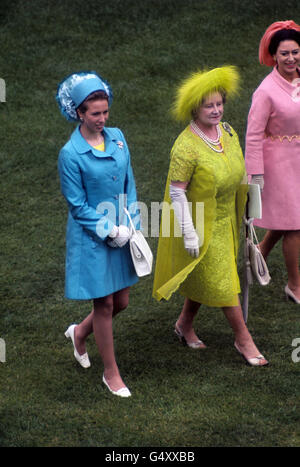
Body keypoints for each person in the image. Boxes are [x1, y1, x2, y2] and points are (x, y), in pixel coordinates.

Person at [153, 66, 268, 366]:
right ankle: (244, 339)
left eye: (219, 104)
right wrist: (189, 232)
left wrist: (249, 206)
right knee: (225, 282)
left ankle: (183, 325)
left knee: (210, 278)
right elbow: (177, 193)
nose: (216, 110)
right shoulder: (185, 147)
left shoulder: (227, 132)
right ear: (195, 108)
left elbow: (239, 172)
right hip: (202, 224)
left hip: (229, 219)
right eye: (209, 105)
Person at [56, 71, 140, 397]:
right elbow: (77, 207)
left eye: (105, 111)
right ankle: (111, 372)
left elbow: (129, 183)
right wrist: (109, 231)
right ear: (79, 112)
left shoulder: (117, 136)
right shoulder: (70, 154)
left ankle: (79, 332)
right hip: (92, 238)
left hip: (122, 231)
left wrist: (133, 223)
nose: (102, 119)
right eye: (95, 114)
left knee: (121, 301)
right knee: (104, 303)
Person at [245, 20, 300, 304]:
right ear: (274, 56)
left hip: (298, 160)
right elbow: (253, 135)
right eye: (284, 54)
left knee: (288, 216)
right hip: (278, 164)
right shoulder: (265, 91)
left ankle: (260, 253)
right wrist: (255, 174)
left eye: (295, 52)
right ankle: (295, 284)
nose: (291, 58)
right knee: (296, 224)